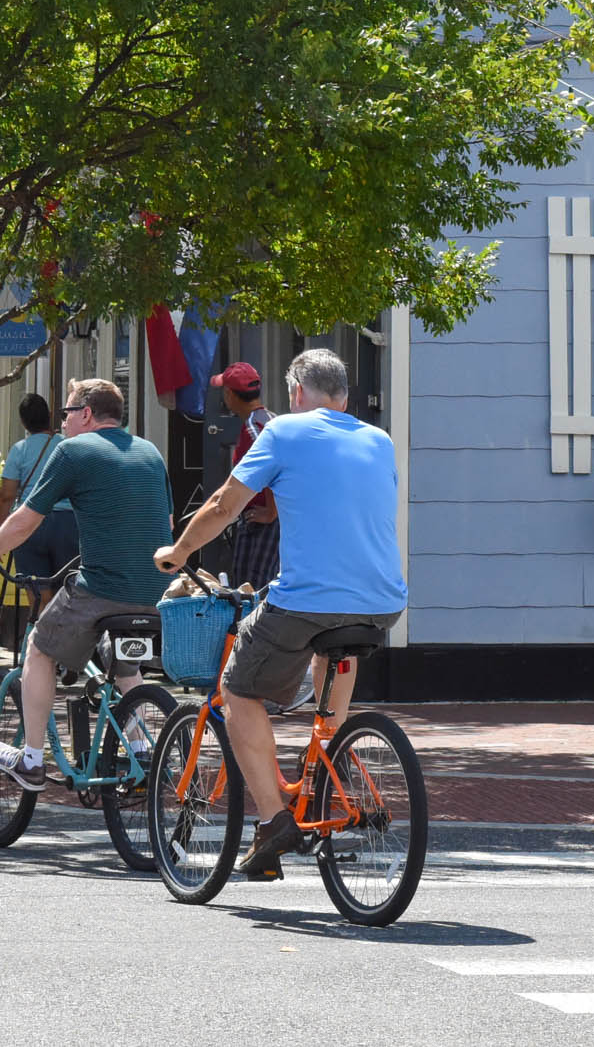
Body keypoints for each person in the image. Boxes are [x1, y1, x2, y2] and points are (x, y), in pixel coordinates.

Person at [154, 348, 405, 880]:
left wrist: (178, 552)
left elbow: (226, 504)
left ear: (296, 393)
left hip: (307, 599)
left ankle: (273, 821)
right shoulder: (378, 440)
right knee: (338, 645)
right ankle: (324, 765)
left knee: (238, 689)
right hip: (383, 601)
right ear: (344, 396)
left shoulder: (284, 432)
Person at [0, 377, 171, 791]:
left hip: (101, 588)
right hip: (153, 590)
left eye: (66, 413)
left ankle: (31, 760)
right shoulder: (150, 452)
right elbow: (164, 524)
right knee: (123, 662)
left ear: (87, 414)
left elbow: (27, 517)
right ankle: (143, 751)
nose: (62, 423)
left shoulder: (73, 451)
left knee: (39, 649)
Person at [0, 394, 79, 582]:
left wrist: (0, 535)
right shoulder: (67, 446)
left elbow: (6, 496)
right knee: (67, 587)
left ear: (23, 422)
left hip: (29, 523)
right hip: (68, 523)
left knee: (37, 589)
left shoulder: (19, 450)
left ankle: (41, 610)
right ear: (49, 415)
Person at [213, 363, 279, 592]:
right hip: (261, 519)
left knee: (251, 589)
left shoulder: (254, 427)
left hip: (262, 524)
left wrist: (271, 511)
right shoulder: (269, 418)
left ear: (230, 394)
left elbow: (273, 465)